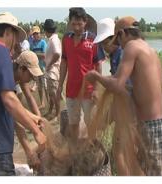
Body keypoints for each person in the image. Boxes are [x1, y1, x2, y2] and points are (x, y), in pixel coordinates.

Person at [85, 16, 162, 176]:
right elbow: (126, 84)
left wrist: (96, 77)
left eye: (118, 39)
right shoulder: (150, 50)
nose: (119, 45)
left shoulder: (131, 47)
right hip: (161, 127)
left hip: (150, 129)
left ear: (123, 33)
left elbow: (118, 84)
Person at [0, 12, 46, 176]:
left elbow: (3, 103)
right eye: (15, 36)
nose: (16, 43)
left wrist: (33, 117)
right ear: (8, 32)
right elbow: (9, 100)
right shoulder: (1, 52)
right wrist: (36, 131)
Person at [56, 8, 105, 142]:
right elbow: (64, 63)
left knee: (90, 122)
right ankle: (74, 148)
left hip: (89, 90)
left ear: (85, 22)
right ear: (70, 23)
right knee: (73, 122)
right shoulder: (66, 38)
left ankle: (91, 148)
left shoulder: (94, 40)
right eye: (73, 24)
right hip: (71, 89)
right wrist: (60, 85)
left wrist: (96, 89)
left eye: (79, 24)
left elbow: (98, 65)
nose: (76, 27)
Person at [13, 50, 43, 116]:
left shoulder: (20, 75)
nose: (32, 78)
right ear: (21, 68)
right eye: (31, 74)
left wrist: (39, 118)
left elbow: (29, 97)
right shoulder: (7, 78)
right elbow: (13, 107)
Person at [43, 19, 61, 120]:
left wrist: (49, 64)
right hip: (51, 71)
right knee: (51, 93)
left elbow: (57, 54)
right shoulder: (52, 39)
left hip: (53, 71)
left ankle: (57, 115)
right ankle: (50, 111)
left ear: (47, 30)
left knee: (54, 94)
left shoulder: (53, 40)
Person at [30, 25, 48, 109]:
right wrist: (36, 55)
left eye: (37, 33)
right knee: (39, 86)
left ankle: (49, 102)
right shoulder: (32, 43)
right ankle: (42, 103)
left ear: (39, 33)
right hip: (36, 68)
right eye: (34, 34)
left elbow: (44, 55)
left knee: (45, 86)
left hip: (43, 67)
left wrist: (34, 55)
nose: (36, 35)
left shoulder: (43, 42)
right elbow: (31, 55)